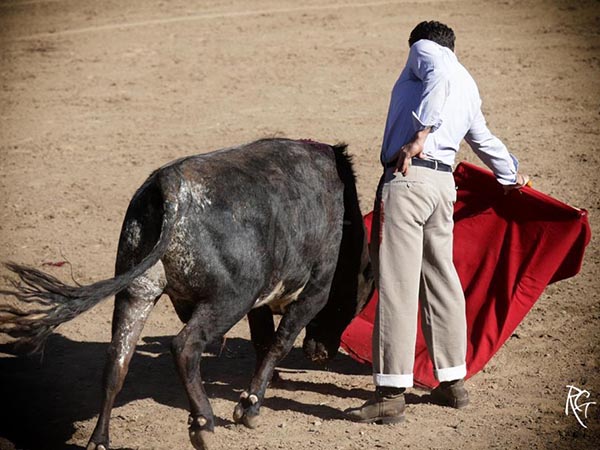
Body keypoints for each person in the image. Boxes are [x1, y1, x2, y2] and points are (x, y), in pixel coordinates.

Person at [345, 20, 529, 424]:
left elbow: (439, 75)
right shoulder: (468, 84)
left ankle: (391, 393)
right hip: (443, 186)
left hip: (409, 179)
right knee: (441, 280)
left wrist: (420, 135)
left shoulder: (429, 54)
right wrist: (510, 174)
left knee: (397, 284)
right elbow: (482, 137)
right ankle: (451, 382)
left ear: (421, 44)